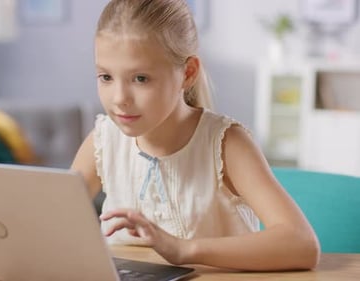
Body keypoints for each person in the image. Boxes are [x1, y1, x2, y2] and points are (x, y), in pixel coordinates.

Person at [71, 0, 319, 271]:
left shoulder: (227, 144)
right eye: (106, 77)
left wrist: (182, 249)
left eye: (140, 79)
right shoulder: (103, 141)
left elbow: (301, 244)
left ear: (187, 73)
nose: (119, 99)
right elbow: (48, 220)